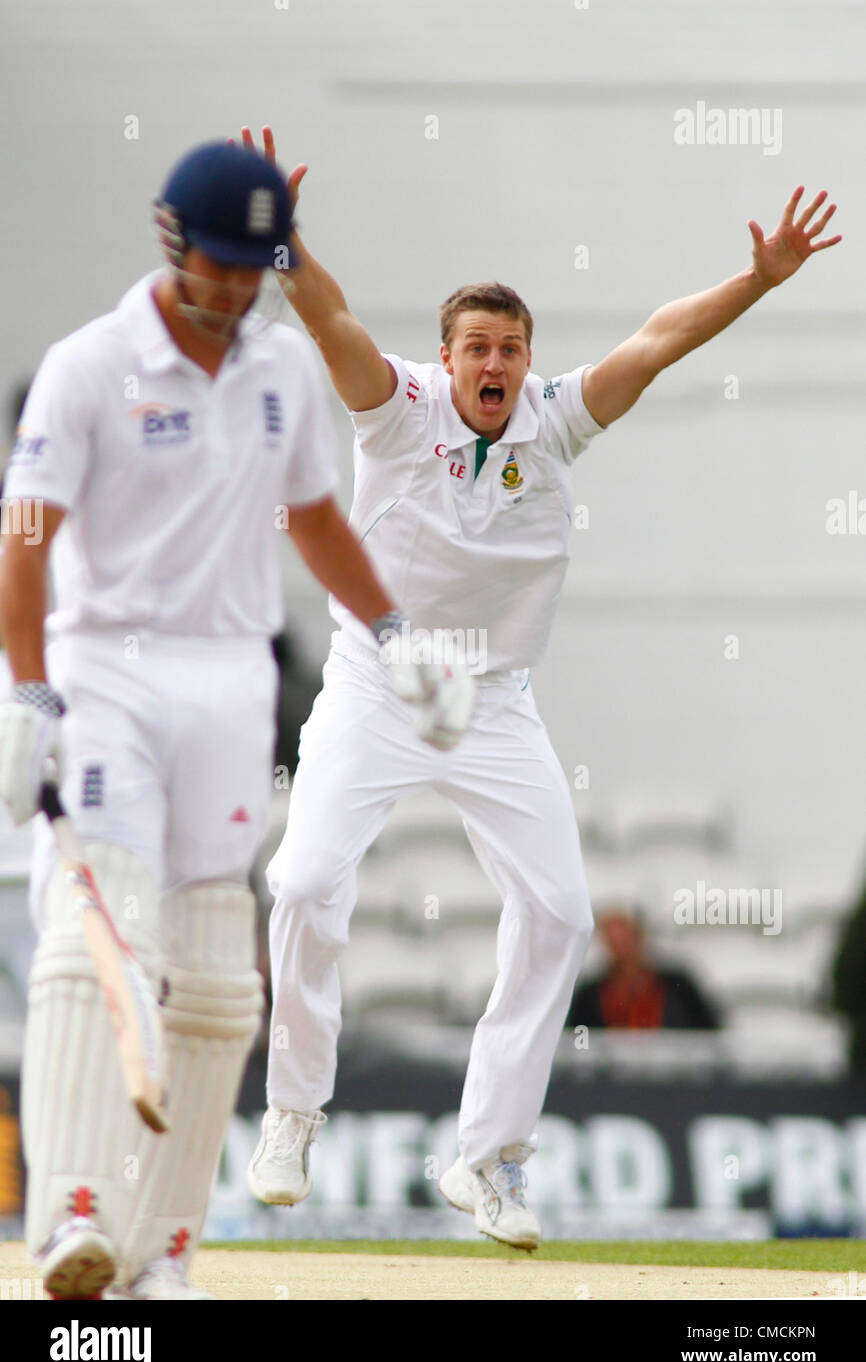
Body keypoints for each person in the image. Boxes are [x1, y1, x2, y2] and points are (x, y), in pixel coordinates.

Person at [243, 125, 840, 1251]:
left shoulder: (553, 423)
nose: (495, 364)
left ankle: (488, 1158)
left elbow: (658, 340)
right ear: (447, 354)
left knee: (561, 911)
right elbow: (328, 320)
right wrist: (282, 246)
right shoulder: (394, 406)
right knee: (307, 876)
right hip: (378, 686)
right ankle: (290, 1112)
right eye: (477, 345)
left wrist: (757, 282)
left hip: (493, 704)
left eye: (511, 347)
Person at [0, 139, 471, 1300]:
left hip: (228, 681)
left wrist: (395, 631)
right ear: (173, 243)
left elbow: (314, 521)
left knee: (216, 986)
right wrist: (27, 692)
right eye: (220, 263)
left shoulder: (274, 374)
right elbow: (26, 539)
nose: (236, 288)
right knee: (92, 941)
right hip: (106, 667)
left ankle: (161, 1251)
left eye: (254, 267)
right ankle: (70, 1212)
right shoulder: (89, 364)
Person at [567, 907, 721, 1030]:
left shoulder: (678, 986)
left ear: (639, 936)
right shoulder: (589, 995)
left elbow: (709, 1032)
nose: (620, 948)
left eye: (625, 939)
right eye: (613, 940)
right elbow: (578, 1042)